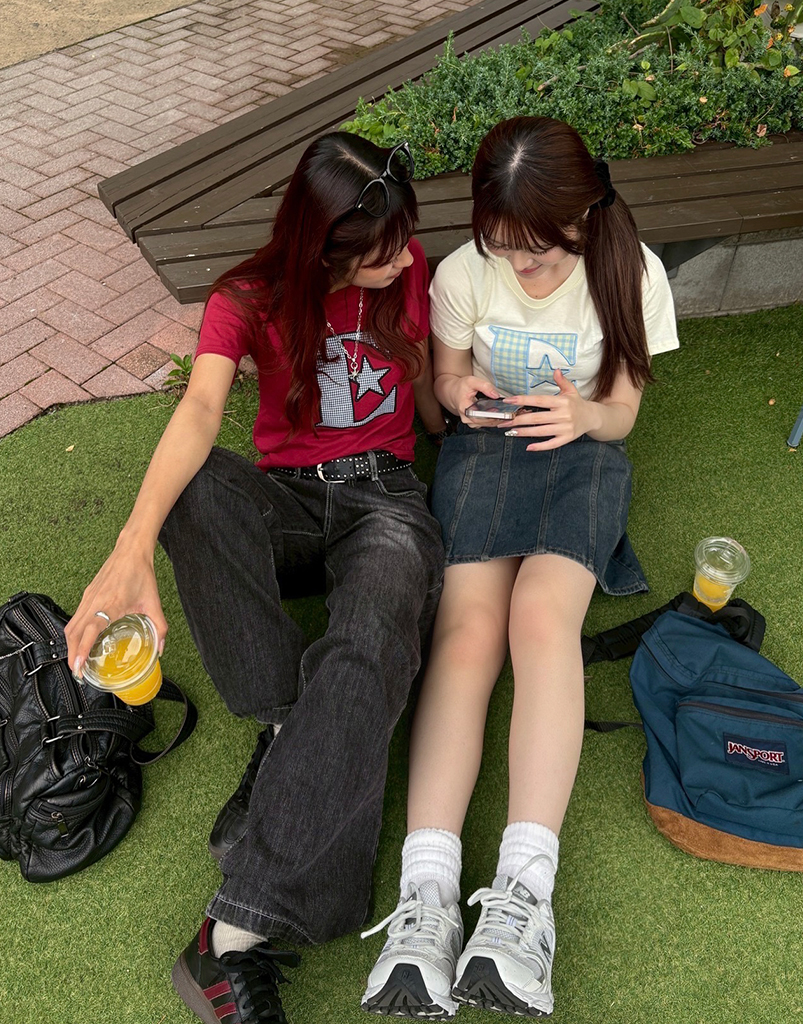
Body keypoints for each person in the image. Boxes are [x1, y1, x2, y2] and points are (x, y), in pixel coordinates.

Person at [64, 132, 445, 1024]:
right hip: (289, 500)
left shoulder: (409, 267)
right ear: (322, 247)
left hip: (387, 499)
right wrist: (131, 546)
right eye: (381, 253)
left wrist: (456, 436)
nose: (403, 261)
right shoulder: (248, 296)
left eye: (403, 245)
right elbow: (202, 406)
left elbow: (426, 382)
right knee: (192, 489)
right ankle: (283, 724)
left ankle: (230, 936)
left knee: (369, 642)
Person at [361, 116, 679, 1019]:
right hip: (485, 451)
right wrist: (456, 391)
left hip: (583, 453)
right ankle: (427, 897)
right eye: (501, 246)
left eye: (537, 254)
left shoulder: (632, 273)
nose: (518, 267)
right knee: (466, 634)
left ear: (582, 217)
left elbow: (623, 413)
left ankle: (524, 895)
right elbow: (443, 388)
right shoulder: (465, 274)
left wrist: (584, 416)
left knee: (542, 621)